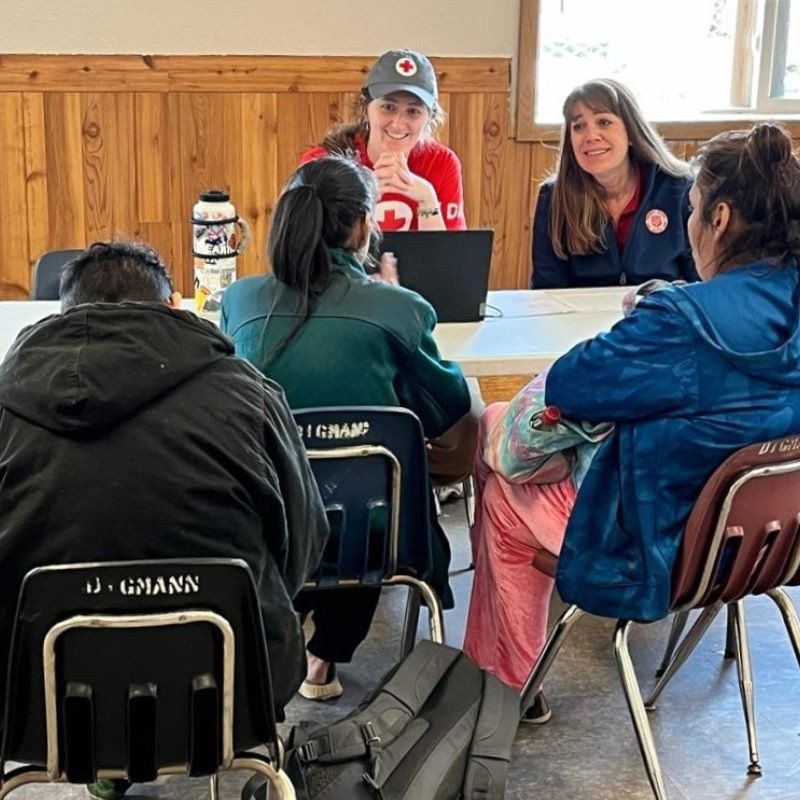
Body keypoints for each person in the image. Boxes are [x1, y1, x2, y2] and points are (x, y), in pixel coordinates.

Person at [466, 122, 800, 722]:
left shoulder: (679, 323)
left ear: (719, 219)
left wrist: (659, 316)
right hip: (770, 544)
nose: (688, 224)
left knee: (503, 487)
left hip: (658, 546)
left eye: (692, 210)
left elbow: (571, 386)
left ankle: (504, 690)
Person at [0, 241, 328, 800]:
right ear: (174, 307)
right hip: (233, 688)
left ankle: (105, 760)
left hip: (38, 703)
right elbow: (305, 540)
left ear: (62, 318)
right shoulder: (249, 395)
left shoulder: (6, 406)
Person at [221, 155, 480, 701]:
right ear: (363, 224)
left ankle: (280, 639)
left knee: (317, 488)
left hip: (263, 528)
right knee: (361, 490)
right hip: (373, 541)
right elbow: (450, 406)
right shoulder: (400, 309)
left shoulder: (240, 301)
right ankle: (324, 658)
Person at [530, 78, 698, 288]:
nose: (591, 136)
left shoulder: (679, 189)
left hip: (659, 315)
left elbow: (699, 282)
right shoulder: (554, 197)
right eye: (579, 126)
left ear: (631, 132)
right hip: (581, 318)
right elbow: (546, 289)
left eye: (604, 122)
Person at [300, 49, 466, 232]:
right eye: (388, 107)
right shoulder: (323, 162)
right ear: (365, 108)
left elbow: (448, 258)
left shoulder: (442, 163)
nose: (398, 124)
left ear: (429, 117)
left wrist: (428, 201)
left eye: (413, 111)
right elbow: (305, 249)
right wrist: (360, 196)